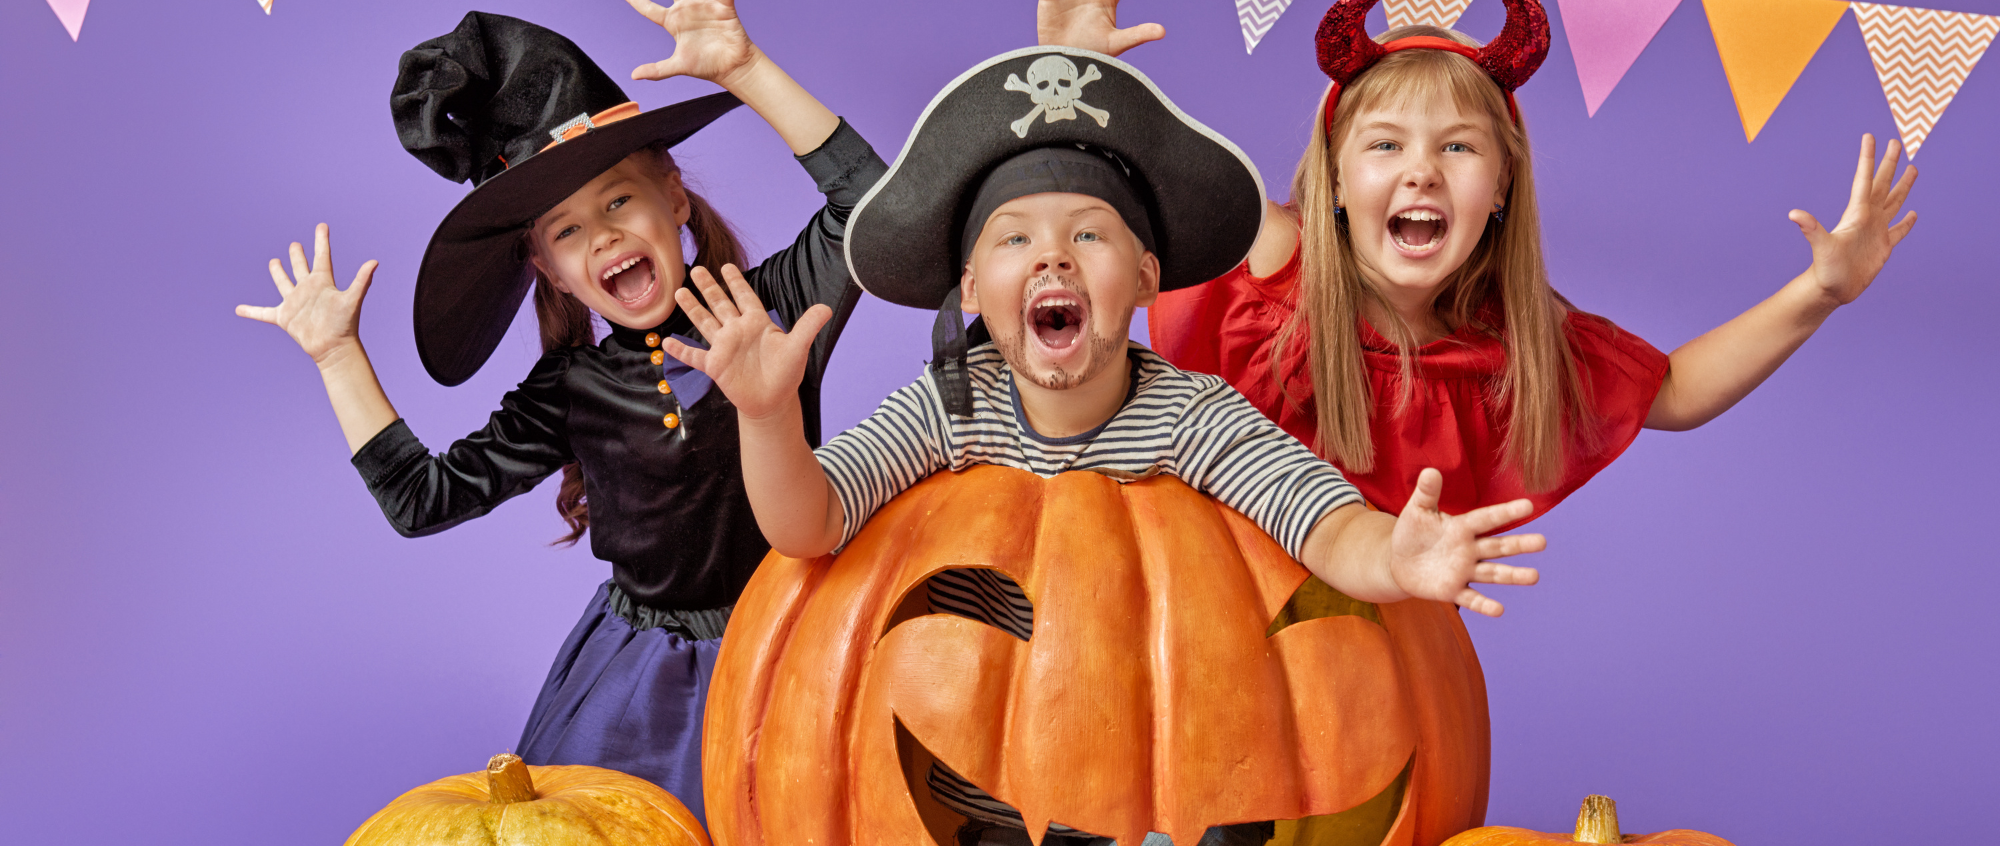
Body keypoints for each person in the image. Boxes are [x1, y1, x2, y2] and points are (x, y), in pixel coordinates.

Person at [664, 46, 1543, 846]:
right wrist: (768, 417)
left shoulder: (1194, 415)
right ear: (972, 286)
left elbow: (1318, 524)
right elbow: (807, 526)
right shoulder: (950, 409)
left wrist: (1397, 557)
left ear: (1147, 276)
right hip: (999, 777)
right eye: (1015, 239)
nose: (1053, 259)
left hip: (1181, 756)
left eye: (1089, 233)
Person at [231, 2, 886, 823]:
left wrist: (747, 72)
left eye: (619, 201)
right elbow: (420, 500)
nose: (603, 237)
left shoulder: (769, 311)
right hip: (642, 692)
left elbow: (872, 206)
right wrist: (338, 357)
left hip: (797, 641)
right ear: (548, 268)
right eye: (568, 230)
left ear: (675, 198)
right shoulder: (570, 388)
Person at [1046, 0, 1918, 524]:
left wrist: (1820, 292)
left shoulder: (1515, 348)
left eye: (1458, 148)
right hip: (1195, 616)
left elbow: (1676, 391)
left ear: (1500, 187)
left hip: (1377, 676)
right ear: (1336, 178)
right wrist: (1071, 66)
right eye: (1385, 144)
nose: (1421, 169)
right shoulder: (1273, 268)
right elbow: (1129, 178)